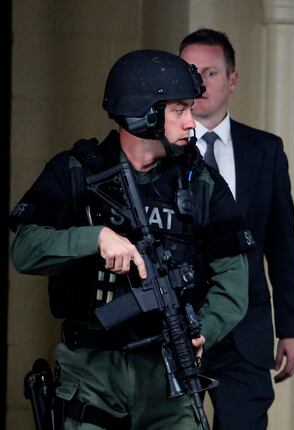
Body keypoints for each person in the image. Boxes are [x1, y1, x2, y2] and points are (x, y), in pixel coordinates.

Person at [9, 49, 250, 429]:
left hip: (168, 376)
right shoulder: (75, 172)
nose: (192, 122)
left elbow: (234, 280)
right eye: (179, 110)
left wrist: (203, 331)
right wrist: (95, 238)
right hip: (91, 374)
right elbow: (25, 250)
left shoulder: (199, 183)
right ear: (145, 113)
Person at [179, 29, 294, 429]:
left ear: (232, 79)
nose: (199, 83)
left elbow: (283, 244)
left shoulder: (265, 149)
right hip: (179, 325)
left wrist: (291, 328)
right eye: (189, 72)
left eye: (211, 73)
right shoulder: (160, 151)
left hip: (246, 328)